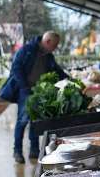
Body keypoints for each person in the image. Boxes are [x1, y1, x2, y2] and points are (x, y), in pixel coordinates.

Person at [5, 31, 67, 163]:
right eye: (54, 45)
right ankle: (17, 151)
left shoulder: (48, 55)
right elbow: (16, 68)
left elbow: (57, 70)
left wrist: (69, 80)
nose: (55, 48)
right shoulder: (27, 50)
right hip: (25, 91)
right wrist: (24, 87)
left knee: (36, 121)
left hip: (39, 91)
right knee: (22, 121)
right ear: (47, 42)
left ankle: (34, 150)